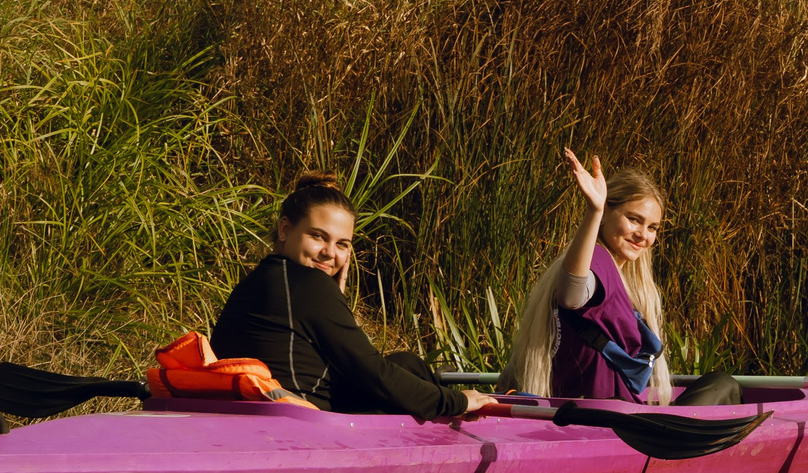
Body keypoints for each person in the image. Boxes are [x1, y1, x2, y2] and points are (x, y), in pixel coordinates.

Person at [209, 172, 498, 420]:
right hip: (301, 425)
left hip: (269, 413)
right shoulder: (308, 285)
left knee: (407, 363)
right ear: (285, 229)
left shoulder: (262, 278)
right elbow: (373, 373)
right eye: (318, 236)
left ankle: (441, 388)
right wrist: (456, 402)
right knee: (408, 379)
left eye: (342, 244)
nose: (329, 253)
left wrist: (334, 299)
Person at [505, 150, 740, 405]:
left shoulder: (617, 275)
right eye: (633, 219)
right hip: (605, 422)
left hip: (611, 415)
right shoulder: (599, 261)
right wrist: (593, 211)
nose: (643, 235)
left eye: (652, 228)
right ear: (606, 213)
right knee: (724, 385)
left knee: (719, 384)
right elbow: (571, 295)